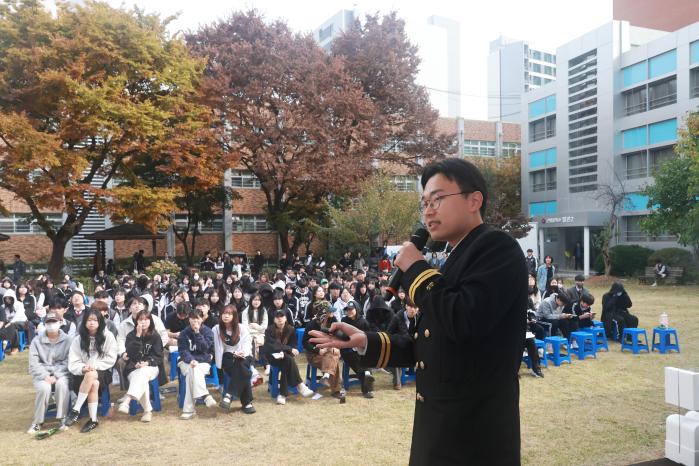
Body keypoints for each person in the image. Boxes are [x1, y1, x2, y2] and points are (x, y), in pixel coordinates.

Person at [310, 157, 527, 465]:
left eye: (437, 199)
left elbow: (462, 320)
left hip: (474, 434)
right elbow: (429, 345)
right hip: (439, 427)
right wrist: (365, 341)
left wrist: (415, 267)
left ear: (473, 200)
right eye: (424, 202)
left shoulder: (496, 247)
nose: (428, 210)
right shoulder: (455, 257)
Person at [63, 309, 118, 433]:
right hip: (80, 376)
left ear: (100, 322)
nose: (92, 323)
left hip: (102, 372)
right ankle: (93, 420)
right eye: (89, 320)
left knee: (93, 374)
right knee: (93, 382)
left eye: (95, 320)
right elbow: (73, 362)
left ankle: (76, 410)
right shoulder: (78, 339)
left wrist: (94, 365)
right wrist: (83, 368)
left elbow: (111, 358)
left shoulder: (108, 336)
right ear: (84, 322)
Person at [27, 312, 72, 435]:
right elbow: (34, 363)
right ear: (44, 324)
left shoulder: (68, 340)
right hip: (42, 374)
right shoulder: (36, 341)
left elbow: (69, 361)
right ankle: (37, 422)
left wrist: (56, 375)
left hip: (61, 373)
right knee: (44, 388)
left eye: (54, 322)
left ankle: (62, 418)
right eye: (48, 322)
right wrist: (45, 376)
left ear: (60, 323)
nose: (51, 325)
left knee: (62, 385)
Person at [117, 309, 163, 422]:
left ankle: (127, 400)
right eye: (140, 319)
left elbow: (159, 357)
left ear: (150, 321)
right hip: (133, 368)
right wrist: (138, 336)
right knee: (141, 377)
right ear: (136, 321)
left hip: (151, 367)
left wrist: (147, 363)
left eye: (146, 319)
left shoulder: (155, 336)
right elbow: (130, 354)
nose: (143, 322)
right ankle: (147, 411)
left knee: (143, 372)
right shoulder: (131, 336)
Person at [263, 309, 314, 404]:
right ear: (274, 320)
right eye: (277, 317)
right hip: (272, 357)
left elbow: (293, 345)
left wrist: (286, 352)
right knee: (288, 360)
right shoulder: (269, 330)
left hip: (285, 357)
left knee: (286, 361)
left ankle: (282, 395)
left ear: (285, 318)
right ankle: (300, 386)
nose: (280, 319)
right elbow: (272, 346)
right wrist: (287, 350)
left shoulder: (290, 329)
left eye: (282, 317)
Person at [213, 304, 256, 413]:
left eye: (229, 314)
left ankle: (229, 394)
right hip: (227, 357)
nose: (226, 316)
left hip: (244, 355)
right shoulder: (216, 329)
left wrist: (242, 353)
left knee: (241, 365)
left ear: (234, 316)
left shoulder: (242, 328)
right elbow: (217, 348)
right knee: (244, 372)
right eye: (224, 313)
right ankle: (247, 403)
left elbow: (247, 344)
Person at [177, 308, 216, 420]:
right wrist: (191, 360)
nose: (195, 322)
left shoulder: (208, 332)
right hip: (186, 362)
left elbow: (205, 349)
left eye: (197, 319)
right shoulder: (184, 333)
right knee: (192, 369)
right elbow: (183, 351)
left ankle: (188, 410)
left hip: (202, 363)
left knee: (193, 372)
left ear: (202, 319)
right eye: (192, 319)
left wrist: (197, 333)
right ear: (189, 319)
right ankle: (205, 396)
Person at [303, 300, 343, 399]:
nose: (332, 313)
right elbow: (305, 343)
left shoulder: (333, 320)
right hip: (314, 354)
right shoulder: (311, 325)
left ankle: (326, 376)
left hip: (329, 350)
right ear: (322, 312)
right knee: (334, 358)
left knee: (332, 354)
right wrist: (318, 350)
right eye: (329, 311)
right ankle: (335, 390)